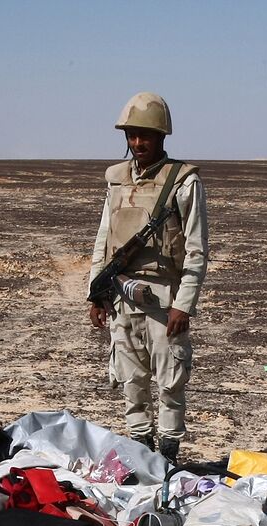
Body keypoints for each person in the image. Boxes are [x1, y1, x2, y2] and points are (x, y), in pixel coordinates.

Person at [88, 92, 208, 463]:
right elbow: (104, 240)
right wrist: (95, 292)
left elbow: (197, 250)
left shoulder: (184, 182)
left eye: (146, 135)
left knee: (170, 383)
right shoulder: (116, 181)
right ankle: (142, 457)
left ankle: (169, 459)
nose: (137, 143)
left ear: (162, 137)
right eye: (132, 135)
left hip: (164, 299)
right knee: (131, 382)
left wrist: (183, 305)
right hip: (122, 294)